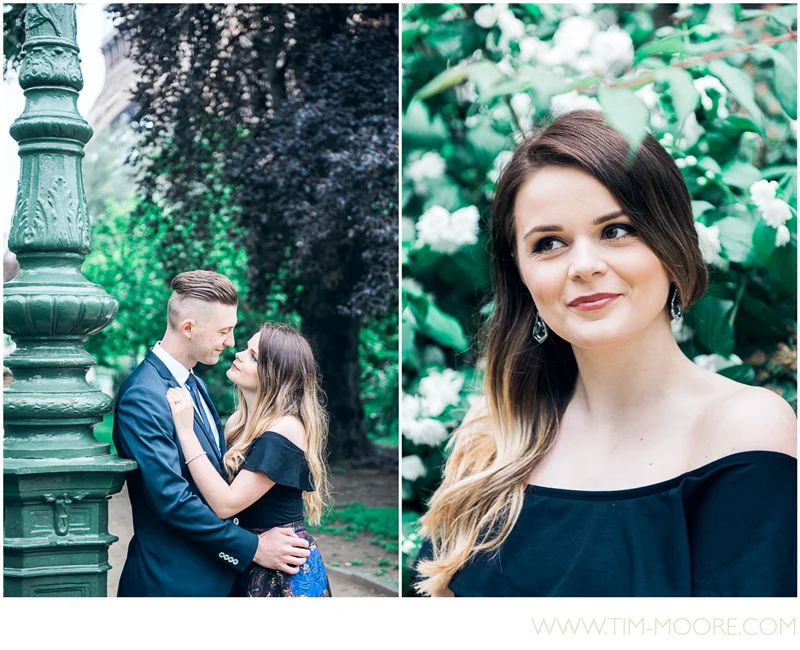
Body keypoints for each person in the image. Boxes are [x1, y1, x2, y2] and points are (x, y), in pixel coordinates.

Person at [415, 110, 797, 597]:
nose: (584, 266)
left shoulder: (743, 430)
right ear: (522, 274)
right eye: (549, 243)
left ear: (672, 241)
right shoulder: (492, 440)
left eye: (616, 231)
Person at [113, 270, 312, 597]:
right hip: (173, 583)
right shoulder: (144, 396)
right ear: (188, 328)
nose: (231, 342)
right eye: (224, 331)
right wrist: (252, 548)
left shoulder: (195, 384)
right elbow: (172, 500)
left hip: (220, 578)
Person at [166, 322, 332, 597]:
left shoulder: (286, 428)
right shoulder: (237, 423)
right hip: (250, 556)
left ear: (275, 375)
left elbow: (226, 504)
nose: (239, 354)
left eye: (253, 356)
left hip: (282, 569)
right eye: (246, 349)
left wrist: (186, 433)